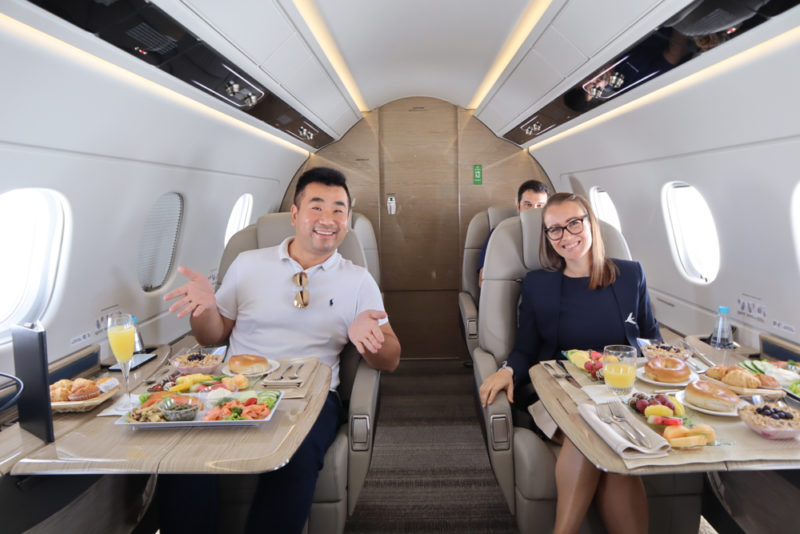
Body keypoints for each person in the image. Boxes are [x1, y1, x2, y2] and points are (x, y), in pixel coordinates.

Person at [160, 167, 401, 534]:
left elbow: (392, 358)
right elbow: (212, 337)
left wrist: (368, 339)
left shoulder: (357, 280)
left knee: (298, 458)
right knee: (185, 455)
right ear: (294, 214)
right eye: (316, 207)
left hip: (312, 397)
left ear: (347, 221)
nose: (327, 219)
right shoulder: (248, 265)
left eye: (339, 210)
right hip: (237, 386)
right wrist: (206, 309)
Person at [478, 192, 660, 534]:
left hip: (620, 394)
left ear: (591, 223)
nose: (567, 235)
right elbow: (525, 348)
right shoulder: (539, 285)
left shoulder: (631, 276)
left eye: (574, 223)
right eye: (555, 230)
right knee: (591, 433)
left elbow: (652, 340)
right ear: (547, 238)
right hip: (558, 393)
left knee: (611, 449)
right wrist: (506, 370)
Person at [477, 179, 549, 287]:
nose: (533, 211)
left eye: (540, 206)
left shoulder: (556, 235)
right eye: (528, 204)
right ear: (518, 207)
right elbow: (482, 281)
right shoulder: (499, 233)